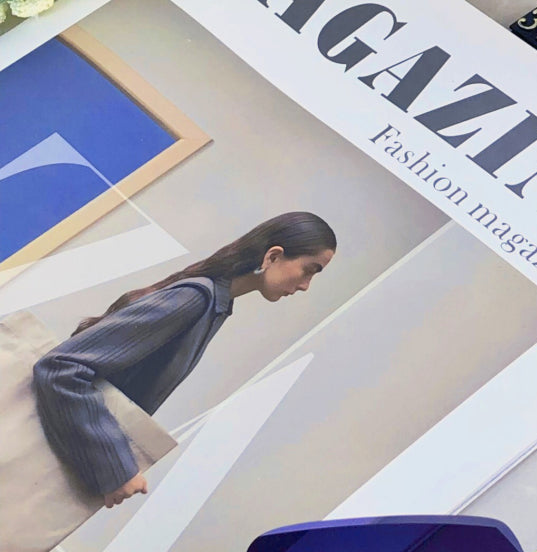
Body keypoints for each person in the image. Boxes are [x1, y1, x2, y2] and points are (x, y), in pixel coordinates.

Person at [33, 212, 336, 509]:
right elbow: (61, 367)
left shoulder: (213, 305)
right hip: (44, 455)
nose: (306, 285)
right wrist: (117, 469)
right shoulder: (195, 300)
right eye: (309, 270)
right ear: (273, 256)